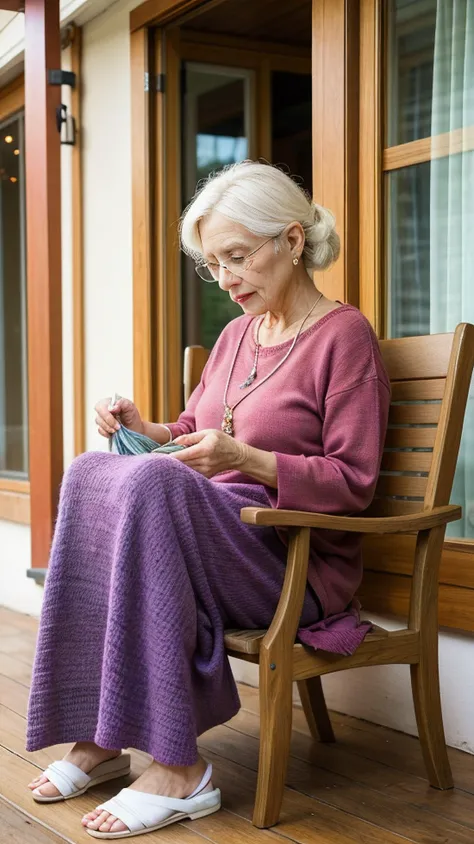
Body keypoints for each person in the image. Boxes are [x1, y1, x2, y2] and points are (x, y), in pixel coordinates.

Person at [25, 161, 391, 838]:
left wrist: (247, 461)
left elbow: (354, 481)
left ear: (289, 239)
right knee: (87, 471)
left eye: (236, 257)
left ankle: (177, 768)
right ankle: (100, 734)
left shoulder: (345, 337)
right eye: (211, 264)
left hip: (292, 560)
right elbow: (198, 430)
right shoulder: (236, 336)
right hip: (216, 538)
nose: (224, 279)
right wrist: (148, 429)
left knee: (159, 486)